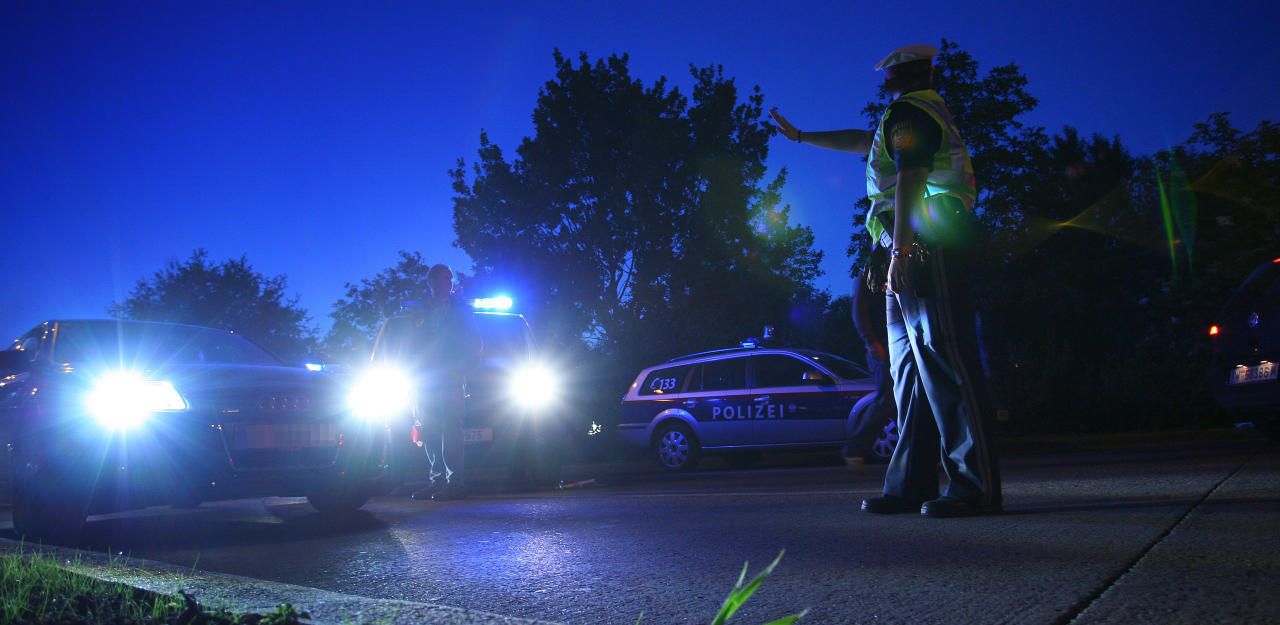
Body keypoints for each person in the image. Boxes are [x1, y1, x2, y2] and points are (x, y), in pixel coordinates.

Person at [771, 43, 1001, 517]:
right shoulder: (905, 117)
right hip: (908, 248)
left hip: (925, 243)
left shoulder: (911, 113)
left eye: (887, 78)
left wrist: (900, 250)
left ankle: (975, 488)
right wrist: (801, 137)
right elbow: (862, 140)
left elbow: (912, 180)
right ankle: (908, 486)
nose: (885, 86)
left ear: (896, 79)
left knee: (946, 366)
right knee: (910, 377)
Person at [371, 264, 482, 501]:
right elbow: (409, 345)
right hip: (425, 380)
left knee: (451, 429)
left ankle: (455, 482)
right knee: (430, 430)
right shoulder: (419, 313)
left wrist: (461, 370)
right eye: (442, 279)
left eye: (449, 279)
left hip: (450, 378)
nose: (447, 283)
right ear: (431, 283)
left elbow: (474, 346)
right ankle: (436, 481)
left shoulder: (461, 313)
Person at [842, 262, 898, 465]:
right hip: (881, 347)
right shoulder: (868, 273)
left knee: (907, 399)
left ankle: (921, 453)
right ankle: (855, 449)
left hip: (898, 343)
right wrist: (871, 341)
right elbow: (859, 311)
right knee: (887, 397)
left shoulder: (898, 268)